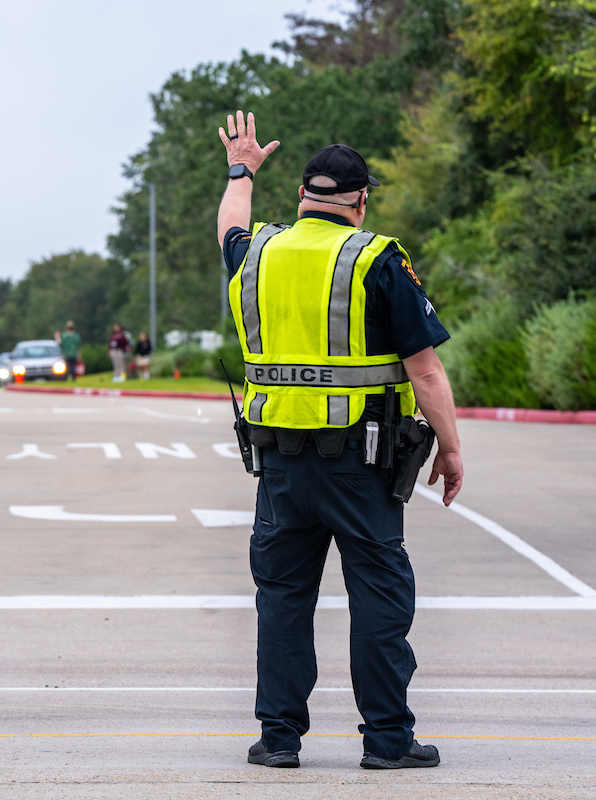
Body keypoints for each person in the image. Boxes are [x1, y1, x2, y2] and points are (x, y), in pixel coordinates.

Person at [216, 111, 463, 770]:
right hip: (364, 463)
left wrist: (241, 170)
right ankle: (386, 742)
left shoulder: (260, 253)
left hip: (280, 467)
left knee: (283, 600)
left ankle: (278, 739)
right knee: (379, 597)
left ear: (301, 196)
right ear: (360, 201)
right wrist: (452, 447)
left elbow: (229, 230)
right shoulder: (377, 259)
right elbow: (426, 369)